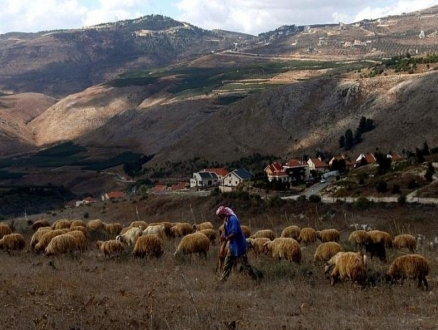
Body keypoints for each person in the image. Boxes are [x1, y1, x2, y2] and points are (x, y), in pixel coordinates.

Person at [216, 206, 262, 283]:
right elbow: (226, 234)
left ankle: (255, 280)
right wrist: (222, 246)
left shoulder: (233, 219)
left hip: (239, 247)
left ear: (223, 214)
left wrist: (226, 238)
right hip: (232, 247)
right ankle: (222, 281)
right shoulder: (226, 221)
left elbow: (234, 233)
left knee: (246, 265)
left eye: (220, 216)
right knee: (227, 264)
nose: (219, 217)